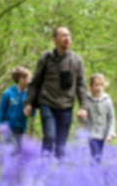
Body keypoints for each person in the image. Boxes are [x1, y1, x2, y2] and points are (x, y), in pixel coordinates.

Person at [23, 27, 88, 158]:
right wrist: (28, 103)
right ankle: (43, 169)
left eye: (69, 35)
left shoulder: (76, 60)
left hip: (67, 107)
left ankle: (58, 175)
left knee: (61, 146)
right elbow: (34, 83)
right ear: (55, 40)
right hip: (47, 104)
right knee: (49, 137)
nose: (67, 38)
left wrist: (83, 107)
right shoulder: (46, 58)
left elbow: (81, 85)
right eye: (63, 36)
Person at [0, 66, 33, 153]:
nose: (30, 81)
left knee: (20, 153)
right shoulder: (7, 93)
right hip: (8, 128)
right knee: (13, 150)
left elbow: (32, 110)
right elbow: (0, 110)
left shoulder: (28, 94)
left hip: (21, 129)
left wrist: (30, 111)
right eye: (28, 78)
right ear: (21, 80)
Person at [82, 73, 116, 164]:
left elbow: (111, 119)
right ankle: (95, 176)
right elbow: (82, 116)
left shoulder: (107, 100)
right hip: (91, 133)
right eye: (96, 85)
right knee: (96, 156)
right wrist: (82, 119)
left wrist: (110, 134)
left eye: (101, 85)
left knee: (98, 157)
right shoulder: (86, 100)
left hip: (103, 134)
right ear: (91, 86)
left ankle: (92, 175)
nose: (99, 87)